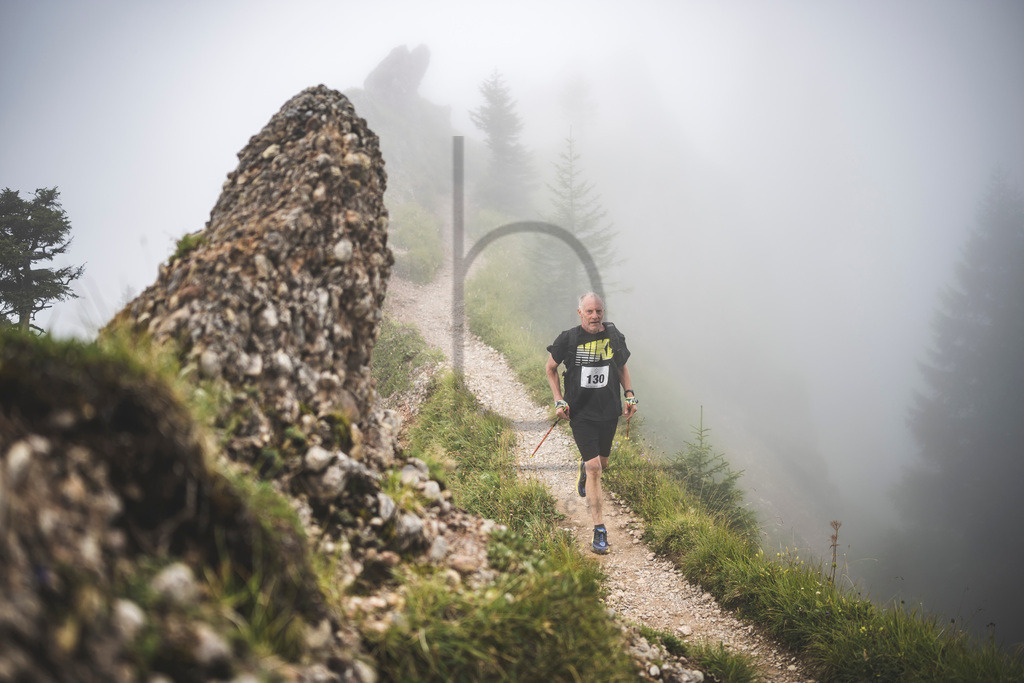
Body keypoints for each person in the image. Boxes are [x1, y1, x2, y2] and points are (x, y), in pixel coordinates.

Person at [545, 292, 638, 554]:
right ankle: (599, 531)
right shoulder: (568, 339)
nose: (595, 316)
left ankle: (586, 470)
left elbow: (621, 367)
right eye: (590, 311)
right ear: (580, 313)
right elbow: (550, 368)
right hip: (581, 413)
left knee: (602, 463)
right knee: (596, 466)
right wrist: (558, 400)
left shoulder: (613, 336)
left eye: (599, 311)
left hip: (609, 411)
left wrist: (630, 394)